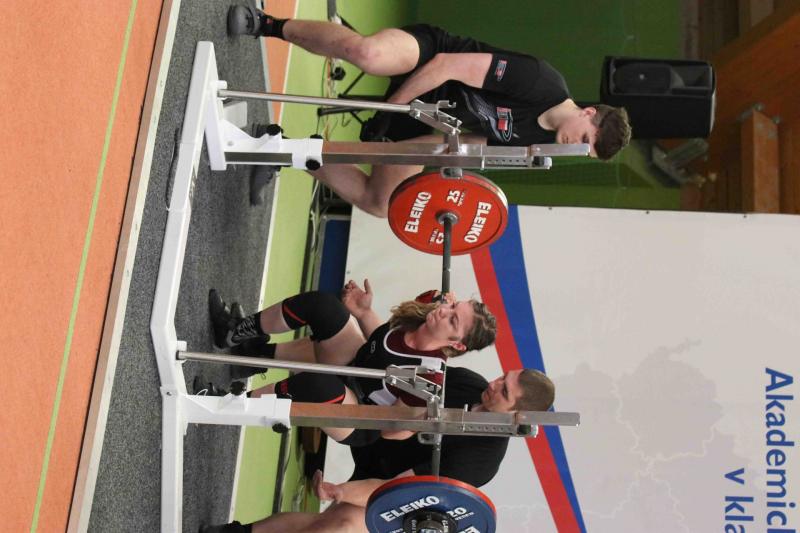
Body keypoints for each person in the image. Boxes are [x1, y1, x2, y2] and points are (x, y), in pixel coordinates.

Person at [226, 6, 632, 217]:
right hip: (429, 59)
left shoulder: (542, 146)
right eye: (584, 140)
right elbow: (447, 65)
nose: (574, 146)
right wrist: (391, 109)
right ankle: (268, 24)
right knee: (366, 53)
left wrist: (400, 149)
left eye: (583, 151)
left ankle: (284, 148)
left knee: (380, 201)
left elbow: (466, 141)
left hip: (431, 115)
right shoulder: (540, 82)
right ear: (588, 113)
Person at [200, 365, 556, 533]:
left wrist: (340, 491)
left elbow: (398, 490)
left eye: (504, 391)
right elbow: (392, 408)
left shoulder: (480, 463)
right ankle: (223, 403)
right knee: (317, 386)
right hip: (376, 431)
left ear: (517, 417)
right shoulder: (468, 381)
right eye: (503, 377)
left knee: (335, 528)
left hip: (386, 487)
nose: (494, 384)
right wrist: (403, 420)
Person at [200, 280, 497, 444]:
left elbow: (391, 433)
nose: (444, 312)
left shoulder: (429, 379)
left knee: (319, 386)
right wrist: (363, 312)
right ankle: (233, 333)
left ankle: (224, 405)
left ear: (457, 345)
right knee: (323, 307)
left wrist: (413, 420)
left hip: (358, 415)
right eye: (454, 306)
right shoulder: (428, 307)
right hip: (355, 366)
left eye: (453, 320)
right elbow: (383, 344)